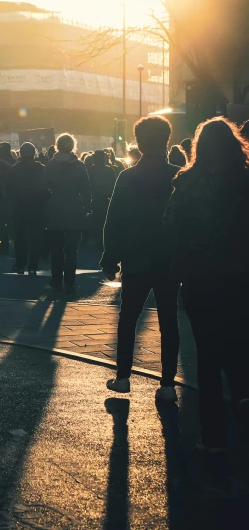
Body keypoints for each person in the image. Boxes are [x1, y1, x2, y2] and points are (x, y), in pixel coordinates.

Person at [164, 117, 249, 451]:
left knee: (208, 355)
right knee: (240, 349)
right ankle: (243, 409)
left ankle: (212, 434)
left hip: (199, 277)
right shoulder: (244, 179)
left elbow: (170, 227)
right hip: (241, 276)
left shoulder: (187, 182)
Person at [101, 115, 180, 402]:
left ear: (139, 142)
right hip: (168, 258)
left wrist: (110, 257)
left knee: (129, 317)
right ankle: (168, 383)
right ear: (167, 140)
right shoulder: (179, 175)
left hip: (135, 257)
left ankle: (123, 377)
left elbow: (114, 221)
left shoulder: (128, 177)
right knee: (169, 320)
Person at [43, 133, 91, 293]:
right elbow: (85, 188)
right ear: (72, 146)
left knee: (56, 249)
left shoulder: (51, 165)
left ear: (57, 146)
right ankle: (69, 282)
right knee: (71, 250)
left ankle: (56, 280)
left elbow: (43, 187)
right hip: (74, 209)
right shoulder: (79, 165)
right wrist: (87, 208)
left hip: (55, 209)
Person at [5, 142, 47, 275]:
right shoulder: (41, 168)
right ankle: (33, 265)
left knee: (19, 238)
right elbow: (46, 188)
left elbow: (7, 190)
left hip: (19, 208)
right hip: (36, 208)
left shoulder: (13, 169)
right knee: (36, 238)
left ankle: (20, 264)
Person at [87, 150, 116, 249]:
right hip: (106, 200)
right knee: (105, 220)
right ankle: (104, 241)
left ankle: (98, 240)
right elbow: (114, 185)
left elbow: (86, 186)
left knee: (97, 221)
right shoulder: (109, 170)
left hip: (94, 200)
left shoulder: (89, 170)